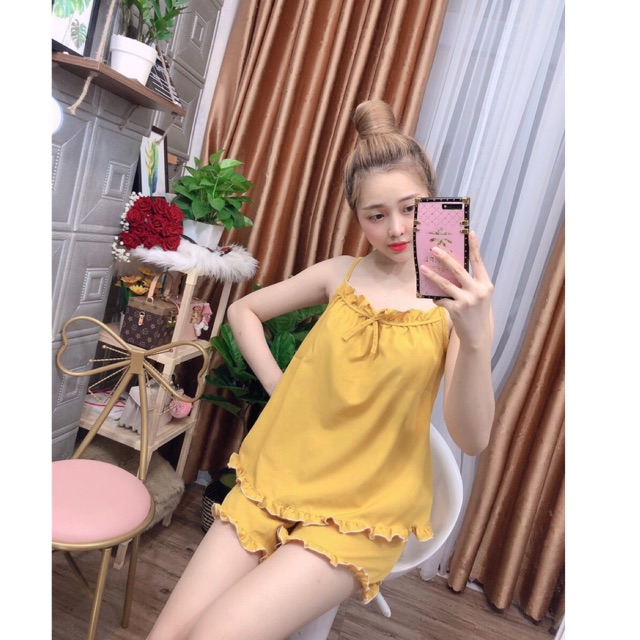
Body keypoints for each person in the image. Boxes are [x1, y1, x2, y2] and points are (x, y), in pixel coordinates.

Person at [148, 99, 495, 640]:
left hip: (365, 508)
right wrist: (278, 384)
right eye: (376, 215)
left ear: (433, 201)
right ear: (356, 216)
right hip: (280, 474)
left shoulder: (456, 298)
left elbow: (472, 438)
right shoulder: (340, 274)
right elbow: (244, 311)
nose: (396, 229)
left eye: (410, 208)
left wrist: (474, 341)